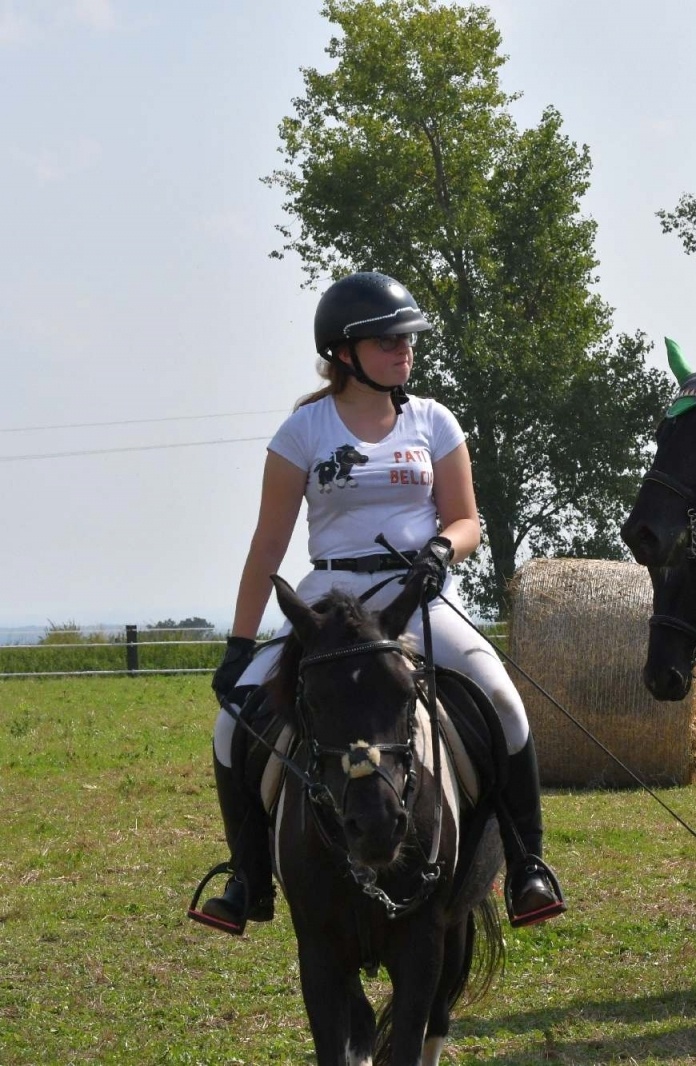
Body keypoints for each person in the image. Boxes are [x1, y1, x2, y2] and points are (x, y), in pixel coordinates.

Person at [191, 271, 564, 934]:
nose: (405, 351)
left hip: (416, 600)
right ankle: (248, 879)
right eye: (388, 341)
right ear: (344, 352)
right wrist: (239, 645)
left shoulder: (433, 422)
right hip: (328, 605)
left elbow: (468, 520)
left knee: (504, 702)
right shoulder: (301, 432)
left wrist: (443, 551)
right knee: (230, 727)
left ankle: (530, 866)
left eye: (408, 340)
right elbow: (268, 545)